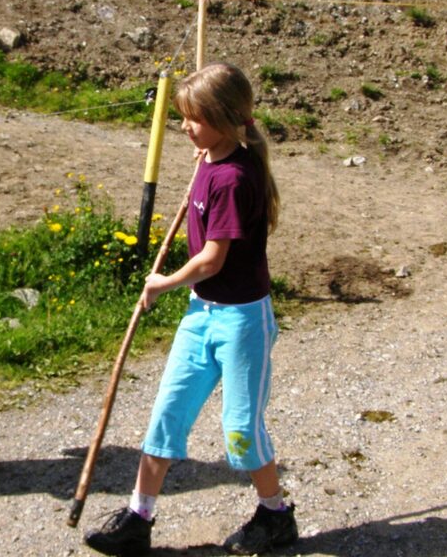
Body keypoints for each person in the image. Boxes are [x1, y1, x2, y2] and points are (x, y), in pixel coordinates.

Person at [83, 63, 296, 556]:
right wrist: (207, 151)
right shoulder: (212, 160)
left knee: (241, 431)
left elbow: (211, 260)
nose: (184, 126)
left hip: (243, 322)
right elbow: (210, 158)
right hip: (201, 315)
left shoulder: (234, 179)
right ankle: (138, 518)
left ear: (224, 118)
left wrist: (163, 283)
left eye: (194, 118)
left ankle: (275, 515)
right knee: (168, 414)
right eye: (183, 117)